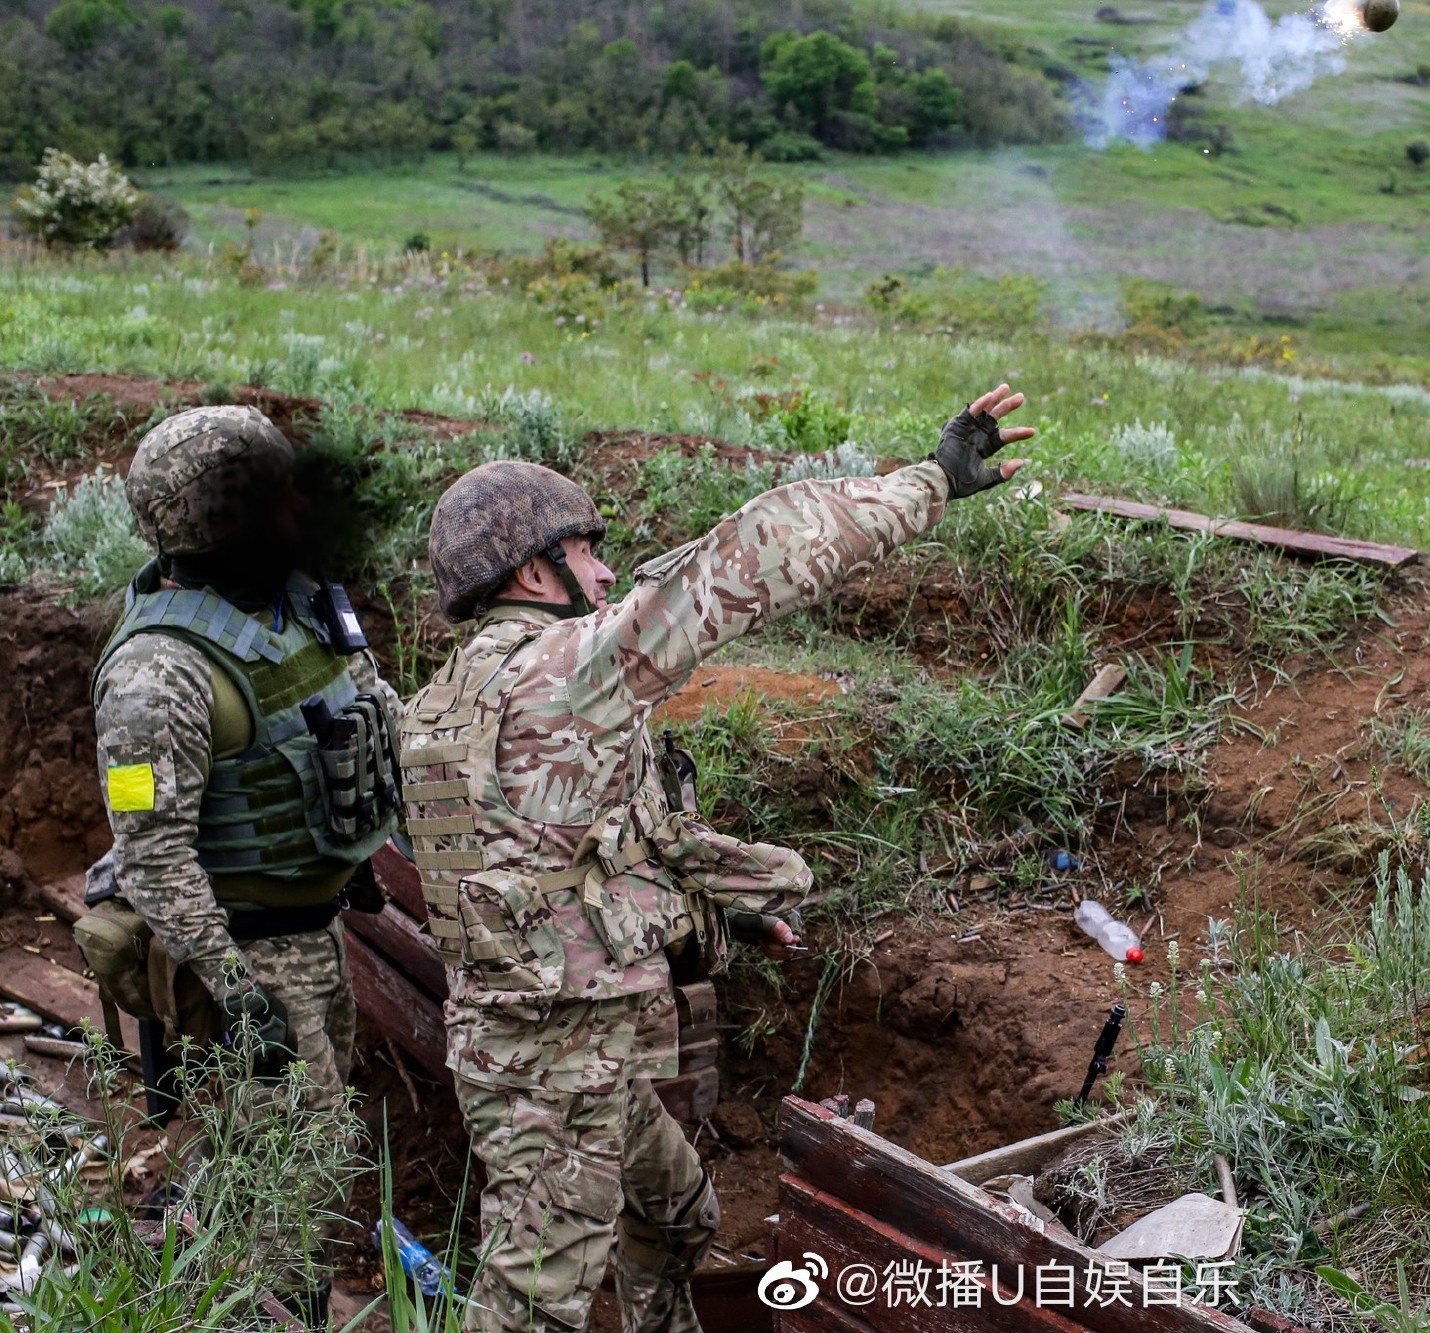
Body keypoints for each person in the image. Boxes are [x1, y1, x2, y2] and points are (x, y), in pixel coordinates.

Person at [399, 383, 1035, 1332]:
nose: (608, 574)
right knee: (528, 1308)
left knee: (678, 1207)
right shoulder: (564, 673)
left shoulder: (445, 700)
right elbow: (750, 554)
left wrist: (720, 906)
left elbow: (559, 854)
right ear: (535, 573)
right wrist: (929, 483)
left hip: (544, 1046)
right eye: (586, 551)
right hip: (557, 1069)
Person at [86, 405, 405, 1317]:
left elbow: (375, 717)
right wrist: (241, 993)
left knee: (302, 1167)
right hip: (249, 958)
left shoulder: (298, 604)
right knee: (282, 1190)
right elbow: (152, 856)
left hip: (316, 935)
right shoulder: (158, 671)